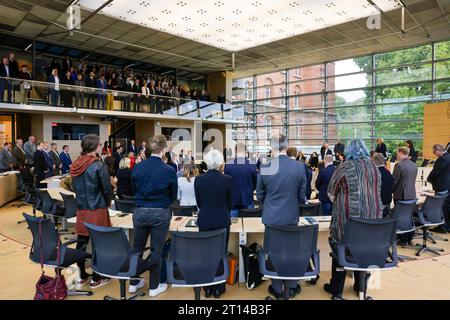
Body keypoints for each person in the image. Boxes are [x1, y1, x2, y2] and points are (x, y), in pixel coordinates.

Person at [324, 138, 383, 299]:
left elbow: (330, 194)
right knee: (362, 250)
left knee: (340, 248)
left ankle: (336, 289)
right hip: (372, 223)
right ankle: (360, 286)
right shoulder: (374, 167)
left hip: (348, 221)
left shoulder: (345, 167)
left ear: (348, 151)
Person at [256, 134, 306, 299]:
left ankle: (277, 288)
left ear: (272, 147)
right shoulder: (299, 167)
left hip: (271, 218)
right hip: (291, 217)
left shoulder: (266, 167)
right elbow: (302, 196)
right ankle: (292, 286)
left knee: (274, 253)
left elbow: (260, 196)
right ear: (286, 146)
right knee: (291, 252)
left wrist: (269, 204)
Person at [129, 134, 177, 297]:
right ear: (163, 150)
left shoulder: (137, 167)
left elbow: (134, 189)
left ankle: (133, 282)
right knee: (157, 249)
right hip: (160, 212)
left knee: (137, 247)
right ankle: (154, 286)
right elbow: (173, 195)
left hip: (140, 210)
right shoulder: (169, 170)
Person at [70, 134, 113, 289]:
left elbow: (73, 186)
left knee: (81, 243)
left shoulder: (75, 164)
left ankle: (82, 276)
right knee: (98, 244)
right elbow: (107, 188)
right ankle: (96, 278)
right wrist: (108, 202)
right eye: (100, 144)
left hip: (82, 208)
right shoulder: (98, 165)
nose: (101, 146)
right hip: (97, 209)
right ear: (95, 147)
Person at [194, 149, 232, 298]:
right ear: (220, 163)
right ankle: (219, 288)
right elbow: (230, 203)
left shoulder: (199, 179)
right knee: (221, 253)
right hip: (222, 219)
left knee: (205, 254)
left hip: (204, 220)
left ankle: (207, 288)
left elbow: (199, 202)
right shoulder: (227, 179)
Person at [224, 143, 257, 217]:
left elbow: (226, 184)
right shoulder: (252, 165)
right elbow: (255, 184)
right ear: (246, 152)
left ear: (235, 152)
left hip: (233, 200)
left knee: (233, 226)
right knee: (249, 226)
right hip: (248, 198)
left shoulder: (228, 165)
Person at [427, 144, 450, 232]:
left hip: (442, 186)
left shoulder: (442, 158)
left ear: (438, 151)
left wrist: (429, 179)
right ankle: (446, 225)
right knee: (446, 206)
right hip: (447, 185)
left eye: (434, 152)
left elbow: (436, 171)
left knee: (442, 206)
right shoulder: (448, 156)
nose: (434, 154)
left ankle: (443, 227)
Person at [372, 152, 393, 217]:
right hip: (388, 201)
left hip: (378, 203)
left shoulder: (374, 173)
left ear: (374, 161)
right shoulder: (388, 173)